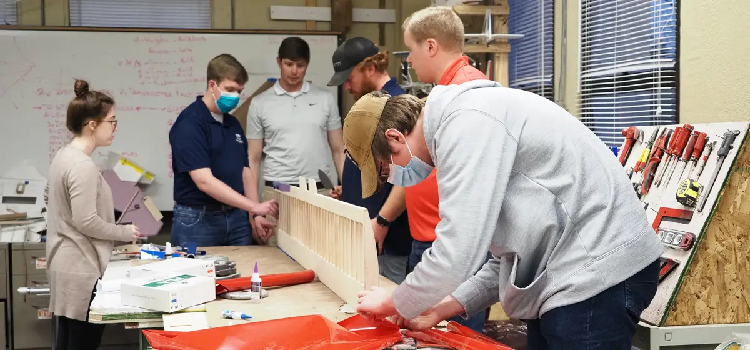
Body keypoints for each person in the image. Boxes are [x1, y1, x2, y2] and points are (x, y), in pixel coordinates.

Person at [347, 81, 664, 349]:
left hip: (596, 270)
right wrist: (444, 307)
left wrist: (395, 301)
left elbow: (456, 252)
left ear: (394, 138)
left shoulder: (466, 124)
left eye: (386, 168)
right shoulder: (462, 128)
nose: (394, 178)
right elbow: (508, 257)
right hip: (572, 274)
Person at [398, 7, 493, 332]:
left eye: (411, 50)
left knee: (459, 337)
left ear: (430, 46)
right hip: (446, 242)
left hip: (457, 246)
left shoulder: (466, 96)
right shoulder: (449, 93)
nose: (409, 60)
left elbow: (472, 195)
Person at [46, 79, 142, 350]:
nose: (115, 127)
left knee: (67, 343)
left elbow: (49, 196)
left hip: (66, 263)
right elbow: (85, 220)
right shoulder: (81, 165)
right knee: (81, 343)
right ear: (92, 125)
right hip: (80, 268)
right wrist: (125, 232)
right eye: (111, 121)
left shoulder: (64, 156)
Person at [326, 37, 413, 284]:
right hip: (367, 236)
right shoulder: (372, 105)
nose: (346, 87)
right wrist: (352, 191)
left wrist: (382, 221)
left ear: (370, 68)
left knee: (384, 313)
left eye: (349, 78)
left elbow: (409, 177)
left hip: (385, 241)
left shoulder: (396, 107)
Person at [170, 54, 278, 247]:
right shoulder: (190, 123)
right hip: (198, 220)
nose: (235, 96)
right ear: (212, 85)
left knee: (241, 273)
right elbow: (204, 181)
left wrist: (256, 215)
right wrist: (253, 206)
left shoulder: (232, 123)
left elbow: (245, 172)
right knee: (198, 275)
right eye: (229, 89)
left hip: (236, 218)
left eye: (239, 91)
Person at [247, 37, 345, 244]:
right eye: (288, 64)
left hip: (320, 191)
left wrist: (346, 187)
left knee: (324, 257)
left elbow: (339, 149)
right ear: (278, 62)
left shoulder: (325, 99)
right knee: (276, 258)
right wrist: (254, 208)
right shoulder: (260, 103)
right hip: (276, 194)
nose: (294, 71)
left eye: (300, 65)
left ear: (307, 65)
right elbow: (253, 159)